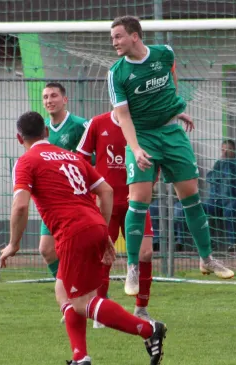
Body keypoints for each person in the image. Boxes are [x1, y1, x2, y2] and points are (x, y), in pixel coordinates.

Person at [0, 111, 167, 365]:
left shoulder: (26, 161)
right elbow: (106, 190)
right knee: (62, 290)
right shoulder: (69, 156)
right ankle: (80, 357)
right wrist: (102, 227)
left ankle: (149, 330)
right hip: (93, 224)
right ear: (46, 132)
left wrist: (13, 244)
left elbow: (20, 206)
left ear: (18, 137)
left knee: (83, 302)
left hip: (72, 232)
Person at [108, 15, 234, 292]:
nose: (113, 41)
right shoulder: (116, 73)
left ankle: (207, 258)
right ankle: (131, 267)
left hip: (171, 132)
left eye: (118, 36)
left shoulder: (165, 54)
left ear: (135, 36)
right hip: (141, 136)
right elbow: (124, 117)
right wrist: (136, 147)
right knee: (139, 199)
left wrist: (175, 108)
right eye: (113, 37)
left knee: (190, 195)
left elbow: (171, 80)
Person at [77, 110, 155, 322]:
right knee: (103, 256)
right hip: (106, 204)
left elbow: (156, 158)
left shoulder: (143, 123)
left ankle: (141, 309)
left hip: (136, 202)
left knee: (146, 253)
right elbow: (80, 161)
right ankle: (100, 312)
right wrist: (92, 190)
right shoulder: (97, 123)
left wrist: (149, 186)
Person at [38, 82, 89, 279]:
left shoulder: (80, 125)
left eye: (53, 96)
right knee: (47, 250)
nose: (49, 100)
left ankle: (90, 295)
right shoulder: (41, 129)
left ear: (64, 100)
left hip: (76, 200)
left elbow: (93, 160)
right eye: (45, 97)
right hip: (51, 201)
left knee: (77, 251)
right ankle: (70, 288)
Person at [174, 139, 236, 252]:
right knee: (199, 208)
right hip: (216, 200)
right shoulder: (219, 163)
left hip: (234, 199)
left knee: (229, 210)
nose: (224, 152)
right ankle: (205, 243)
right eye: (223, 149)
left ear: (233, 150)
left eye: (227, 149)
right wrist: (220, 172)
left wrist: (222, 170)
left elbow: (231, 176)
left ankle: (233, 244)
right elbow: (210, 177)